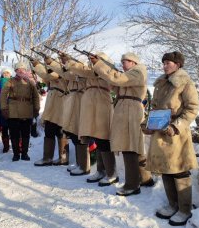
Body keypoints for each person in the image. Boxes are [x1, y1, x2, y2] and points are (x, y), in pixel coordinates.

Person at [146, 51, 199, 226]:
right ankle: (172, 205)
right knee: (166, 169)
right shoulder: (161, 83)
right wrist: (147, 123)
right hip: (160, 133)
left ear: (178, 64)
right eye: (164, 62)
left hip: (176, 135)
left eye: (169, 62)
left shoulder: (185, 83)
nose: (165, 65)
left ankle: (184, 209)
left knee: (179, 170)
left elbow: (192, 108)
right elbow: (154, 108)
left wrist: (176, 126)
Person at [92, 52, 154, 195]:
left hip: (130, 110)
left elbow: (118, 79)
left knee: (129, 147)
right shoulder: (131, 75)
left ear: (133, 62)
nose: (122, 64)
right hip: (125, 109)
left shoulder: (138, 72)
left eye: (125, 61)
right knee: (132, 146)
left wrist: (100, 65)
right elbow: (115, 85)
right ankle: (145, 179)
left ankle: (132, 185)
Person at [65, 53, 118, 185]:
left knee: (104, 138)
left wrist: (70, 62)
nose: (91, 60)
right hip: (91, 103)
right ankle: (101, 171)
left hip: (101, 102)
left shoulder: (105, 69)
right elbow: (80, 74)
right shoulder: (94, 70)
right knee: (98, 138)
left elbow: (88, 72)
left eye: (94, 58)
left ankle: (111, 173)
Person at [32, 58, 70, 166]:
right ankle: (47, 157)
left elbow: (50, 76)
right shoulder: (55, 74)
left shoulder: (62, 72)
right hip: (52, 104)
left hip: (60, 103)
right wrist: (39, 66)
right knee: (49, 130)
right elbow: (46, 78)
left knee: (60, 131)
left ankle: (63, 157)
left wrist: (38, 65)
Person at [0, 61, 40, 161]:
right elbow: (3, 94)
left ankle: (25, 153)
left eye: (23, 69)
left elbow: (35, 96)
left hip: (27, 110)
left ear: (25, 71)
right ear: (16, 71)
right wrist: (4, 108)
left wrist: (36, 108)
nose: (21, 71)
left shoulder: (30, 82)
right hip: (13, 111)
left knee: (26, 133)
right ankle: (16, 154)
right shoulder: (10, 81)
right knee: (14, 134)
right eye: (19, 69)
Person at [0, 68, 12, 152]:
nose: (5, 75)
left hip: (13, 109)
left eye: (7, 73)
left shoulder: (14, 83)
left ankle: (17, 145)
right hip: (2, 108)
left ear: (10, 74)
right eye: (4, 73)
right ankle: (6, 146)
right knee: (4, 129)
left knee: (14, 128)